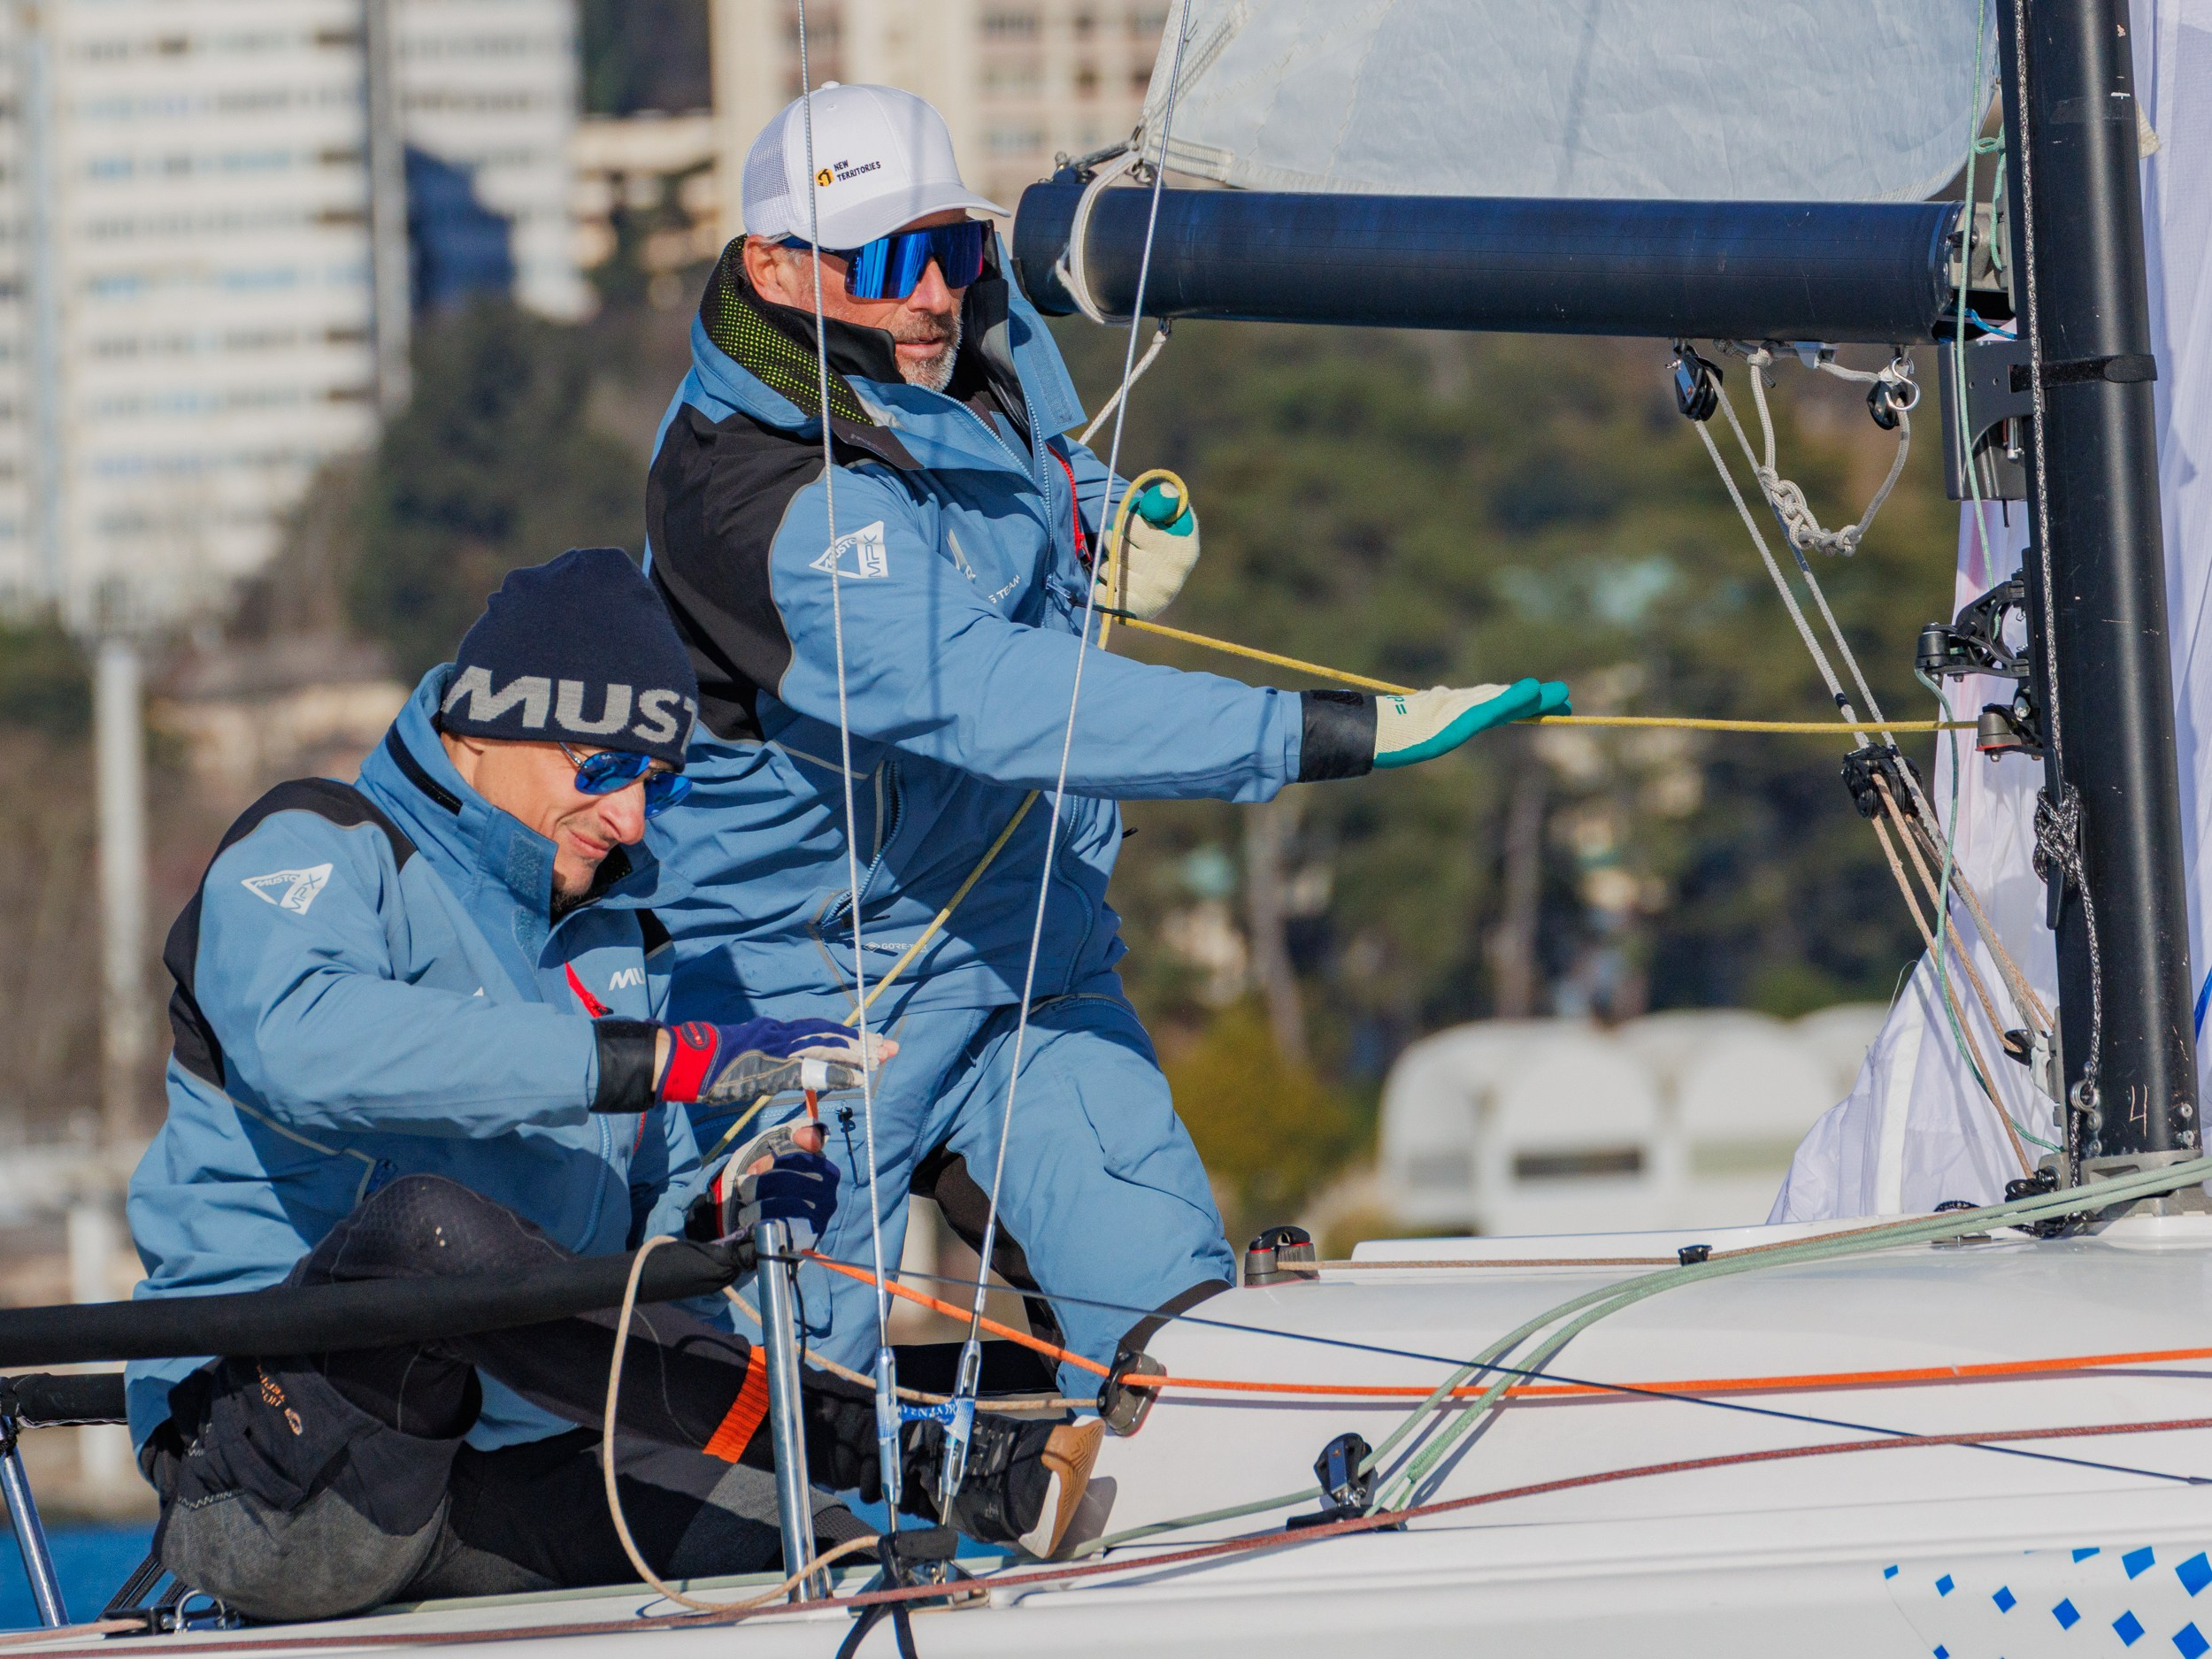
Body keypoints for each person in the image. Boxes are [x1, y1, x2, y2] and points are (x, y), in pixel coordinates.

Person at [643, 83, 1570, 1391]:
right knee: (792, 1419)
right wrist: (1322, 733)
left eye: (956, 249)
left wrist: (1103, 521)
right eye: (894, 262)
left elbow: (1037, 469)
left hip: (1027, 960)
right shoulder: (744, 492)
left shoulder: (974, 331)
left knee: (1179, 1347)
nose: (934, 296)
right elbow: (986, 696)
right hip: (807, 1008)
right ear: (773, 264)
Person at [126, 548, 1102, 1624]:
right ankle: (885, 1442)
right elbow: (301, 1045)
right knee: (427, 1234)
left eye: (657, 782)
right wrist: (647, 1062)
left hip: (504, 1468)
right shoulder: (313, 845)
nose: (631, 818)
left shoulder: (616, 940)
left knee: (850, 1566)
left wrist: (731, 1200)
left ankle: (903, 1477)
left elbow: (639, 1232)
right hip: (276, 1469)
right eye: (603, 770)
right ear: (489, 724)